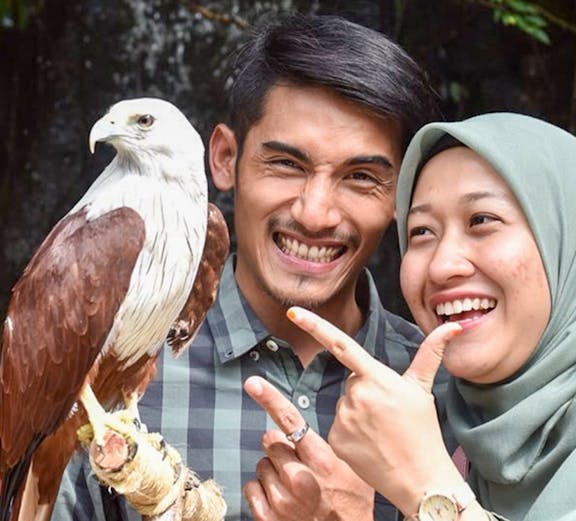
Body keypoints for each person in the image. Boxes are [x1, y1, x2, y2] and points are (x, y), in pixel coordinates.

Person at [52, 12, 454, 521]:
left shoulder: (446, 392)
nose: (314, 213)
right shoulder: (105, 371)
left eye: (359, 176)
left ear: (402, 194)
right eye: (286, 164)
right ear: (223, 158)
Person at [250, 112, 576, 521]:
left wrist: (426, 486)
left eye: (482, 221)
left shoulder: (428, 449)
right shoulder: (457, 431)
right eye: (422, 232)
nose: (441, 266)